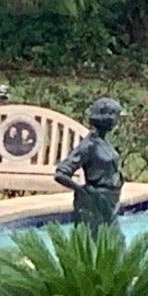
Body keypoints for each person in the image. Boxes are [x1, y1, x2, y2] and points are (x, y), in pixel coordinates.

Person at [54, 97, 124, 230]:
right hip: (95, 202)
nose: (117, 121)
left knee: (114, 243)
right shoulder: (89, 145)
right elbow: (61, 173)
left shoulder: (103, 142)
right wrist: (83, 192)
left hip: (110, 200)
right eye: (116, 117)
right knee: (96, 242)